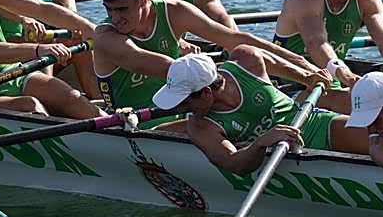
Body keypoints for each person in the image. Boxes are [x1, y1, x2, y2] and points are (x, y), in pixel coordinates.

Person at [92, 0, 328, 126]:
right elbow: (171, 69)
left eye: (122, 9)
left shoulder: (174, 11)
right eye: (108, 9)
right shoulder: (106, 38)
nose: (115, 18)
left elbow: (234, 39)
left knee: (245, 54)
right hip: (141, 122)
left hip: (190, 109)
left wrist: (301, 67)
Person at [152, 50, 368, 175]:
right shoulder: (200, 128)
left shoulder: (246, 60)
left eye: (183, 101)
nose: (178, 109)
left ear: (207, 92)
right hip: (280, 159)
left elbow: (272, 60)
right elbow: (234, 164)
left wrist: (306, 77)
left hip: (314, 124)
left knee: (377, 138)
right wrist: (260, 143)